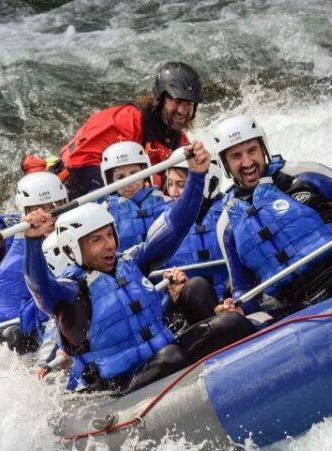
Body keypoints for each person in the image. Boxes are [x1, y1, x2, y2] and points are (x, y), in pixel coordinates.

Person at [22, 142, 255, 392]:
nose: (109, 245)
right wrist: (33, 241)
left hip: (165, 355)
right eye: (96, 240)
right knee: (172, 357)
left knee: (230, 323)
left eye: (109, 235)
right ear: (72, 249)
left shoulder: (132, 262)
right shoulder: (69, 293)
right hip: (122, 384)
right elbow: (39, 287)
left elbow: (177, 227)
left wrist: (197, 175)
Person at [211, 115, 332, 316]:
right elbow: (243, 290)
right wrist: (236, 305)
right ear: (225, 164)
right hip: (292, 308)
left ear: (263, 148)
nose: (247, 162)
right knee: (228, 321)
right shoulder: (227, 224)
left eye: (252, 150)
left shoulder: (302, 175)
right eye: (236, 156)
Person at [58, 61, 202, 198]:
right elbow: (78, 162)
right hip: (73, 187)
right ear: (160, 98)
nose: (182, 111)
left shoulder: (180, 142)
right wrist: (118, 199)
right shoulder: (126, 121)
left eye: (189, 104)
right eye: (177, 102)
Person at [0, 171, 69, 353]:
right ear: (25, 212)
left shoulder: (80, 233)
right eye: (38, 210)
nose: (47, 216)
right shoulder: (2, 245)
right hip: (10, 332)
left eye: (54, 206)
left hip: (52, 323)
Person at [161, 160, 229, 301]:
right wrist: (175, 287)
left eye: (181, 185)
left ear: (208, 184)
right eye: (169, 183)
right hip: (193, 303)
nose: (173, 192)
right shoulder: (163, 224)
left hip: (233, 296)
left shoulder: (230, 211)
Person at [99, 141, 169, 252]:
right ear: (110, 180)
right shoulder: (104, 212)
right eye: (120, 177)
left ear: (145, 173)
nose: (129, 182)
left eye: (134, 173)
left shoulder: (164, 202)